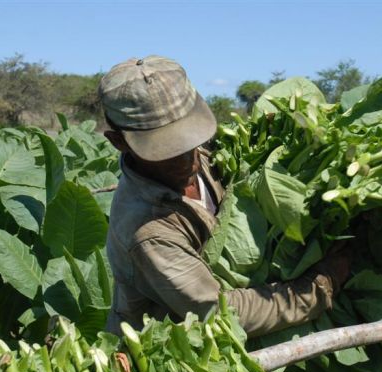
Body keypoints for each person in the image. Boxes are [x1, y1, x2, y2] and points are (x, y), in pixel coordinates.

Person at [100, 55, 349, 338]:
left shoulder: (210, 155)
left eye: (189, 138)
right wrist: (321, 286)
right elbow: (219, 312)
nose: (190, 162)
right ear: (119, 142)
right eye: (166, 150)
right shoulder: (146, 232)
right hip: (177, 354)